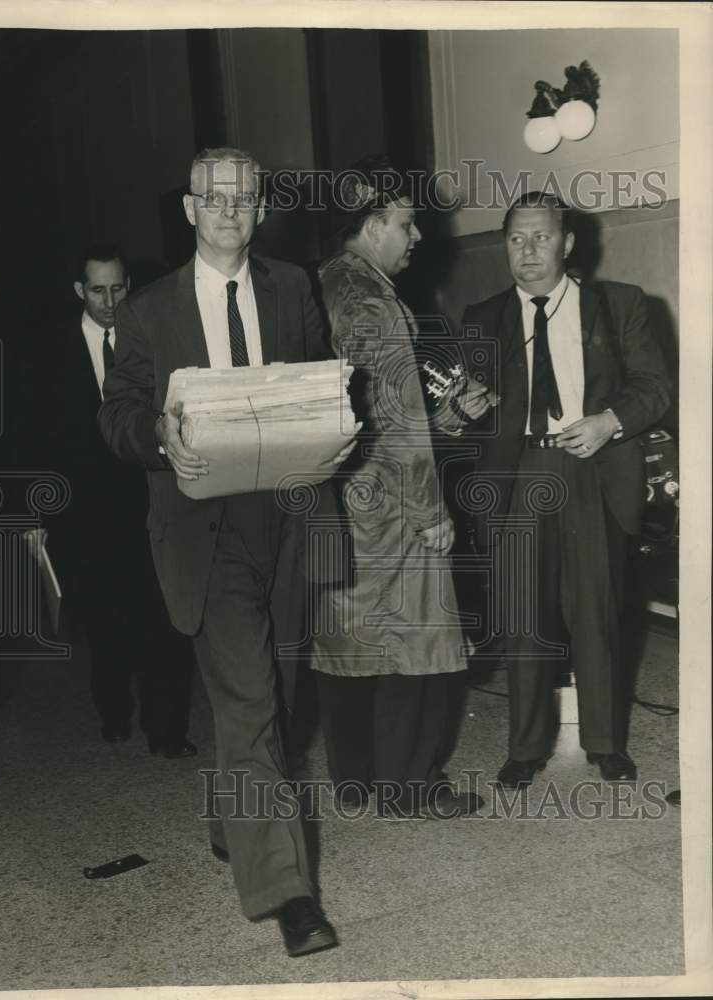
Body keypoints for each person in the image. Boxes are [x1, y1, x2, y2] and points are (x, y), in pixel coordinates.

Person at [98, 148, 348, 958]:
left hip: (288, 513)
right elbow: (120, 412)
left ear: (261, 209)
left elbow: (317, 382)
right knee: (248, 704)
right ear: (189, 210)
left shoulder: (293, 287)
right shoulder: (145, 311)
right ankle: (289, 895)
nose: (228, 210)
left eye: (242, 198)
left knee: (278, 689)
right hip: (205, 528)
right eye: (213, 198)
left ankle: (230, 821)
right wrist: (159, 436)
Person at [461, 191, 671, 789]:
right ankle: (526, 746)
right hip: (518, 475)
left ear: (568, 243)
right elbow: (465, 407)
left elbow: (656, 387)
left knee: (596, 613)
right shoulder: (483, 317)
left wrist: (610, 422)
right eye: (516, 240)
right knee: (523, 616)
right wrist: (465, 406)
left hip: (591, 472)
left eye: (542, 237)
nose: (528, 252)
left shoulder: (620, 304)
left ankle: (605, 743)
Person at [310, 155, 490, 820]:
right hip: (391, 504)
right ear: (372, 221)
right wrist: (430, 509)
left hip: (344, 495)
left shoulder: (325, 284)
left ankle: (356, 780)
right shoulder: (375, 304)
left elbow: (372, 411)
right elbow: (399, 424)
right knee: (422, 646)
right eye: (407, 223)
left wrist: (440, 418)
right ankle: (412, 786)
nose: (416, 237)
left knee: (353, 643)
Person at [30, 244, 197, 757]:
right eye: (97, 290)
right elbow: (34, 436)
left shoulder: (151, 334)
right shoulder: (47, 351)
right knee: (105, 619)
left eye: (118, 288)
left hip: (150, 496)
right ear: (80, 291)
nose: (109, 301)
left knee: (163, 615)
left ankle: (166, 729)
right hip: (84, 510)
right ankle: (114, 709)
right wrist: (34, 511)